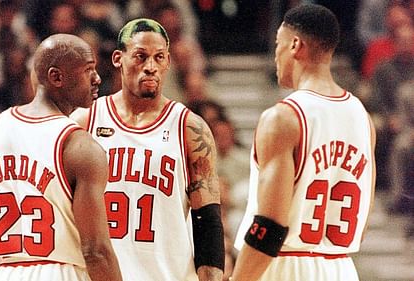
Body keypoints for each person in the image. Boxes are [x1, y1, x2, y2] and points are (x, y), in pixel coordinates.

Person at [71, 18, 225, 281]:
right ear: (118, 58)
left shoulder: (189, 127)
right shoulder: (85, 121)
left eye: (159, 57)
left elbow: (208, 222)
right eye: (141, 57)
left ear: (168, 62)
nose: (150, 67)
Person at [230, 4, 376, 281]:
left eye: (278, 44)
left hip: (286, 267)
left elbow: (269, 228)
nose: (276, 54)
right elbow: (363, 220)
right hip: (341, 267)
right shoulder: (363, 119)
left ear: (295, 45)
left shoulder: (283, 118)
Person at [0, 33, 123, 281]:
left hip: (4, 274)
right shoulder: (78, 145)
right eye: (88, 70)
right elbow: (96, 252)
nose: (97, 78)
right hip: (61, 272)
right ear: (56, 77)